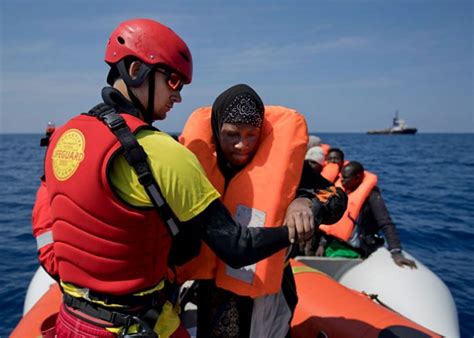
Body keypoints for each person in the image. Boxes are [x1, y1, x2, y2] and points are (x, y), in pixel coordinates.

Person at [31, 19, 308, 338]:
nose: (178, 96)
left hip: (72, 320)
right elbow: (236, 247)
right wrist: (293, 230)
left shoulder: (64, 137)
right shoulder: (163, 152)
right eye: (173, 80)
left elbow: (52, 227)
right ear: (135, 70)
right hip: (137, 326)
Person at [176, 84, 344, 338]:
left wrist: (306, 202)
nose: (242, 145)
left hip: (268, 290)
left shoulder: (287, 166)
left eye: (251, 135)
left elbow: (335, 196)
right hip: (206, 286)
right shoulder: (192, 162)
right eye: (232, 134)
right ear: (216, 129)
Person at [318, 161, 417, 268]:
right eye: (341, 176)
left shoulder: (372, 196)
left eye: (346, 178)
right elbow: (330, 225)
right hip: (334, 243)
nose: (341, 180)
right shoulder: (344, 191)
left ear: (357, 178)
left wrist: (396, 253)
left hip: (355, 249)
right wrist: (322, 244)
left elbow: (386, 222)